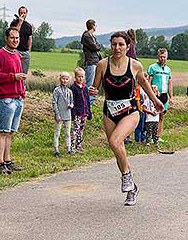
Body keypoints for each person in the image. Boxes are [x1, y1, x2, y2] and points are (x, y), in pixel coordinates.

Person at [89, 31, 164, 206]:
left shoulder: (135, 65)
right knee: (118, 149)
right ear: (110, 45)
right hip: (109, 110)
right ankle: (132, 188)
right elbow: (95, 87)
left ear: (128, 47)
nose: (117, 48)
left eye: (121, 44)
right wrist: (91, 91)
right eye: (114, 44)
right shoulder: (102, 64)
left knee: (115, 142)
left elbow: (144, 84)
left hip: (130, 110)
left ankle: (126, 177)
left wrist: (155, 100)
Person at [0, 27, 26, 175]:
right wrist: (13, 77)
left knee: (10, 132)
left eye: (17, 38)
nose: (15, 40)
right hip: (5, 99)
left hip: (17, 98)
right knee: (2, 132)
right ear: (6, 38)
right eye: (12, 38)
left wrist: (22, 92)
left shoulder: (17, 55)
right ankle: (0, 164)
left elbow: (20, 76)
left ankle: (8, 161)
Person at [147, 48, 173, 141]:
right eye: (161, 57)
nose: (162, 59)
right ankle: (149, 136)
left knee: (162, 116)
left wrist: (171, 97)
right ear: (158, 57)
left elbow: (170, 83)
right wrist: (149, 95)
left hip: (164, 95)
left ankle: (158, 136)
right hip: (155, 95)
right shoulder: (152, 67)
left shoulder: (168, 69)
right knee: (152, 116)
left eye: (164, 57)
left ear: (167, 57)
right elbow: (148, 82)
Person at [70, 67, 92, 152]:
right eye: (79, 76)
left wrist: (89, 112)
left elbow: (87, 100)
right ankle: (72, 146)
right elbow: (72, 101)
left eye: (82, 76)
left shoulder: (85, 87)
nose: (80, 78)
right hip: (77, 113)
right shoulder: (73, 88)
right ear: (75, 77)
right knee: (76, 129)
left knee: (81, 129)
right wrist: (73, 113)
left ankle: (78, 145)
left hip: (84, 112)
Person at [52, 72, 74, 157]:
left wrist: (71, 105)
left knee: (67, 132)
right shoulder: (57, 90)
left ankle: (68, 148)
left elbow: (72, 102)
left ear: (69, 80)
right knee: (57, 132)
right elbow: (54, 103)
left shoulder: (69, 91)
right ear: (60, 79)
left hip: (68, 115)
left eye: (66, 79)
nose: (64, 80)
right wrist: (57, 114)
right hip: (59, 115)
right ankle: (56, 149)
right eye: (63, 78)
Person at [81, 19, 102, 105]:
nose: (96, 27)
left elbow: (97, 45)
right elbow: (95, 47)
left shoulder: (92, 36)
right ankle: (88, 101)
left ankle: (91, 100)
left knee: (94, 82)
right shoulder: (86, 36)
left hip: (95, 61)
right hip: (90, 61)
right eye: (95, 25)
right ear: (93, 26)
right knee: (90, 82)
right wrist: (98, 46)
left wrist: (98, 46)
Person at [10, 6, 32, 74]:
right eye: (21, 12)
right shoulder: (14, 23)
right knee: (15, 71)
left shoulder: (28, 25)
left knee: (24, 73)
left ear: (26, 14)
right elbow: (14, 33)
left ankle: (23, 85)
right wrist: (20, 22)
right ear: (18, 13)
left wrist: (29, 51)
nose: (22, 14)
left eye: (24, 13)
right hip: (16, 50)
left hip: (25, 52)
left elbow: (30, 39)